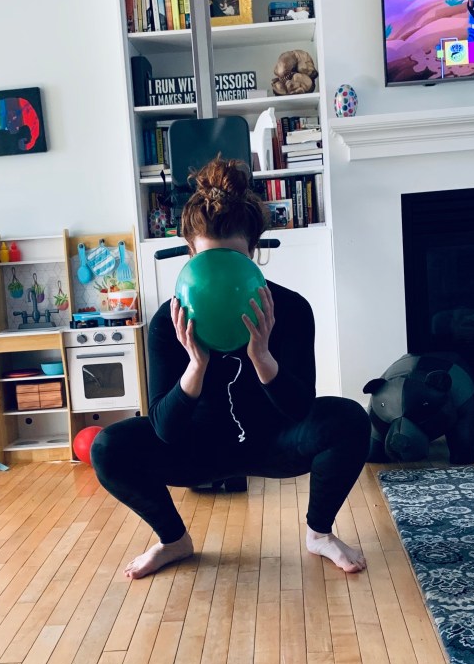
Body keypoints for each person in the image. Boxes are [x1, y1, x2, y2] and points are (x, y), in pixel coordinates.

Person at [92, 157, 371, 579]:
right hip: (196, 450)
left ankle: (319, 533)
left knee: (348, 418)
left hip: (274, 443)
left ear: (252, 254)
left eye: (234, 259)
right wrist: (195, 365)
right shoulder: (168, 322)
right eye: (210, 261)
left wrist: (262, 356)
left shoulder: (290, 309)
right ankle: (173, 540)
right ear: (190, 255)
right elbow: (164, 429)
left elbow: (300, 410)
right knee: (108, 446)